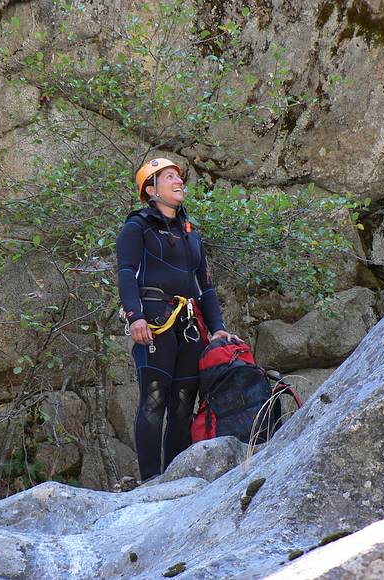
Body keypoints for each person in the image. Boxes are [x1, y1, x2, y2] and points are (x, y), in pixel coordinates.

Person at [116, 158, 241, 482]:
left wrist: (218, 330)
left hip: (189, 326)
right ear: (151, 189)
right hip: (155, 320)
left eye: (179, 177)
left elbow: (206, 287)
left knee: (184, 404)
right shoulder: (137, 227)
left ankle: (175, 479)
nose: (179, 182)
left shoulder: (190, 234)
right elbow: (126, 273)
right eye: (169, 177)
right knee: (154, 398)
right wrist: (135, 317)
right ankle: (149, 481)